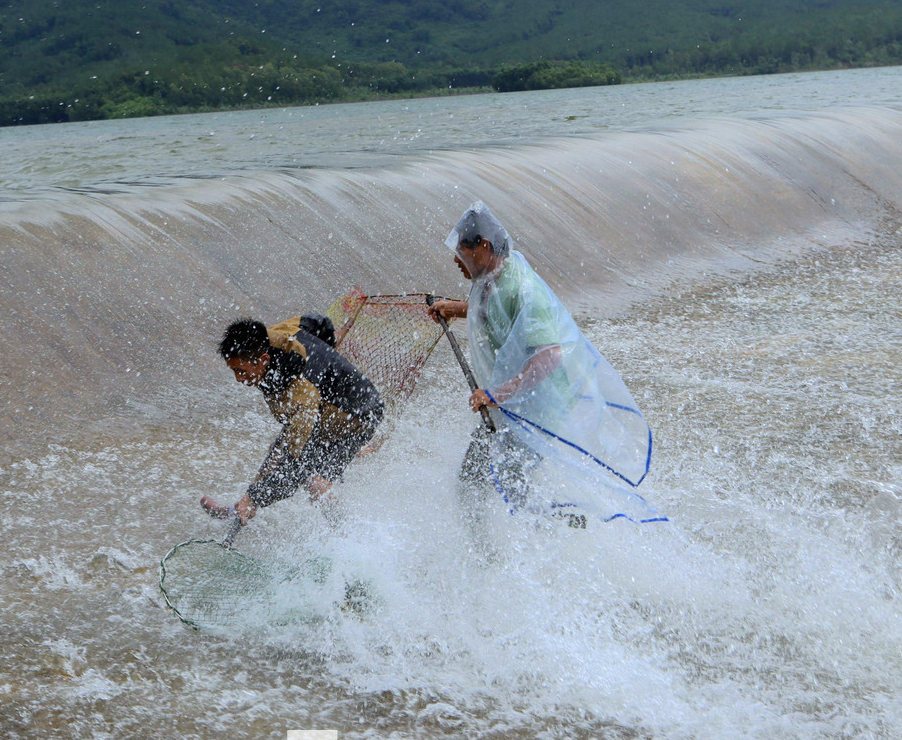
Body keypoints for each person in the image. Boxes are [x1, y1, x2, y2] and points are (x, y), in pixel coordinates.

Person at [428, 201, 663, 526]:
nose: (456, 259)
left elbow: (550, 355)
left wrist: (497, 394)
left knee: (501, 485)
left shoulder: (525, 290)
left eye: (462, 251)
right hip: (512, 403)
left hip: (537, 407)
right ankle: (508, 545)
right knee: (476, 480)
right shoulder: (494, 277)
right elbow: (492, 309)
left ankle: (564, 526)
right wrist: (453, 308)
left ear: (483, 246)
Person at [202, 314, 383, 526]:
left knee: (314, 479)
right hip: (327, 408)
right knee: (278, 449)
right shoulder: (274, 334)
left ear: (263, 360)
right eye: (233, 370)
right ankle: (242, 507)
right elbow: (318, 323)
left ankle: (349, 534)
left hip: (357, 417)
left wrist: (256, 496)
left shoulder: (302, 393)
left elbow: (294, 469)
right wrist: (327, 351)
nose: (239, 379)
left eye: (241, 371)